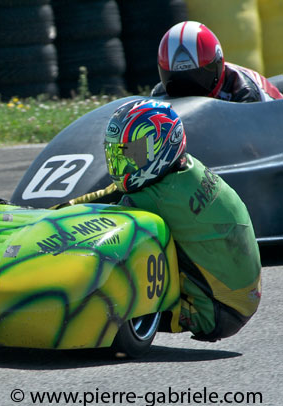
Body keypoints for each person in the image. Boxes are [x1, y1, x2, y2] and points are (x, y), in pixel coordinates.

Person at [103, 99, 261, 341]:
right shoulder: (187, 168)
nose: (127, 161)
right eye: (120, 153)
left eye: (134, 152)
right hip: (241, 299)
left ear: (162, 146)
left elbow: (99, 214)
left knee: (114, 243)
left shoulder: (156, 199)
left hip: (214, 312)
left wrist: (55, 212)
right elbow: (110, 193)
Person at [151, 20, 283, 102]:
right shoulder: (160, 94)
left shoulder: (243, 91)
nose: (189, 91)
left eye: (198, 76)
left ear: (217, 65)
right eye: (178, 81)